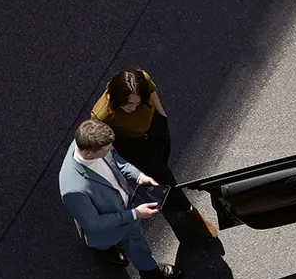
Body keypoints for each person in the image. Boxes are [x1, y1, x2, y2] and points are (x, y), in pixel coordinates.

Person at [91, 68, 218, 240]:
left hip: (154, 130)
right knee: (164, 176)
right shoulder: (102, 115)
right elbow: (103, 139)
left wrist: (161, 116)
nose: (133, 108)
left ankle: (167, 197)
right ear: (116, 99)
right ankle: (188, 209)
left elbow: (151, 92)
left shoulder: (142, 78)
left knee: (163, 163)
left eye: (137, 103)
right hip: (135, 146)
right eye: (128, 104)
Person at [59, 118, 183, 279]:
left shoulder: (88, 142)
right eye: (107, 148)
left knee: (136, 240)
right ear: (89, 152)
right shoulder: (73, 189)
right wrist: (134, 214)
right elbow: (93, 223)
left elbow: (116, 161)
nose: (111, 148)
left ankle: (148, 267)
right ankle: (110, 251)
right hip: (112, 224)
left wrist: (138, 176)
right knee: (108, 242)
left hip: (127, 209)